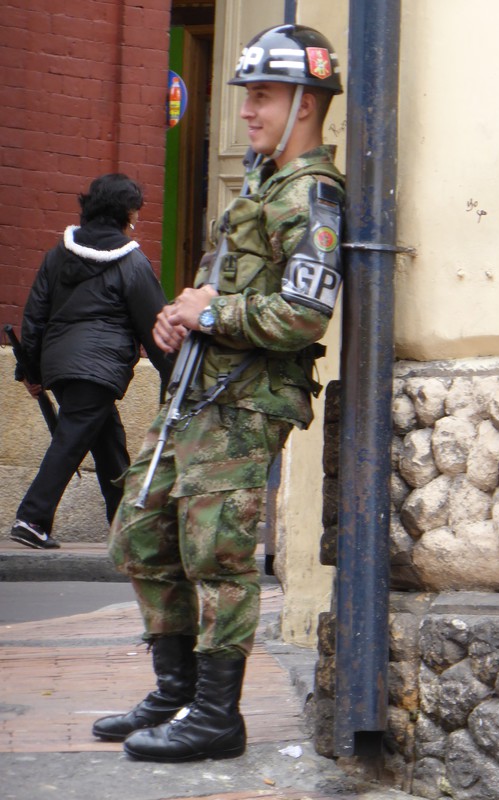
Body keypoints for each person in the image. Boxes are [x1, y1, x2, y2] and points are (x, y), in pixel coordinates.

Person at [92, 24, 345, 763]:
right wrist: (181, 313)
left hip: (245, 403)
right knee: (139, 530)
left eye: (261, 96)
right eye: (247, 96)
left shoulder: (312, 195)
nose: (247, 111)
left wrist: (214, 314)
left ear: (304, 103)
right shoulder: (262, 184)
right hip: (203, 391)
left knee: (217, 557)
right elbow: (220, 284)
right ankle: (174, 694)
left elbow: (302, 315)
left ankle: (214, 715)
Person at [10, 173, 172, 550]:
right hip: (99, 368)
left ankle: (126, 528)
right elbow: (157, 328)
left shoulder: (56, 255)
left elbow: (34, 317)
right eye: (135, 210)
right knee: (70, 440)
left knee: (109, 442)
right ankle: (32, 518)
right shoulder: (132, 263)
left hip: (60, 366)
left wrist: (31, 371)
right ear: (125, 213)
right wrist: (175, 380)